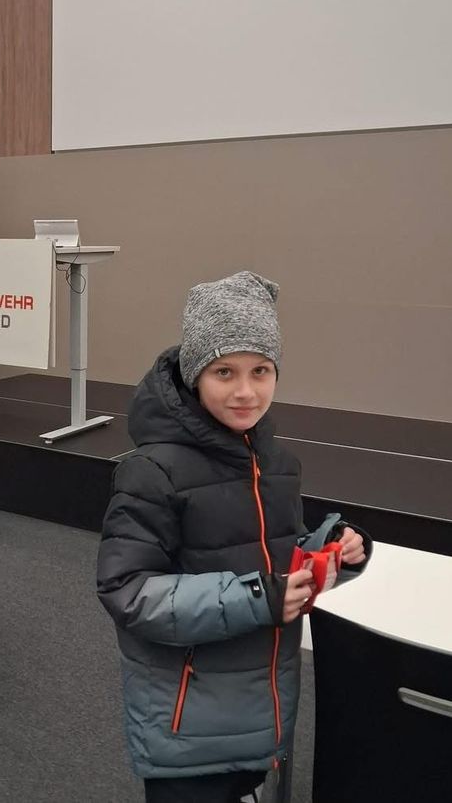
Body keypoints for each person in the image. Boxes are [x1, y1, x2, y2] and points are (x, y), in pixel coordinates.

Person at [96, 271, 370, 803]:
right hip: (187, 721)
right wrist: (259, 596)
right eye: (225, 371)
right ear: (195, 374)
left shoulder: (277, 463)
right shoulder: (152, 471)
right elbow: (128, 591)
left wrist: (331, 551)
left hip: (258, 704)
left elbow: (272, 558)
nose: (246, 391)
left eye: (261, 370)